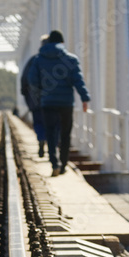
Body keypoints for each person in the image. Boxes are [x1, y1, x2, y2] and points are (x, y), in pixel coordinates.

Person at [26, 30, 90, 176]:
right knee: (65, 134)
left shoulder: (38, 60)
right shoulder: (71, 59)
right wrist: (85, 98)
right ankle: (63, 165)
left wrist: (41, 91)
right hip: (66, 103)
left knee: (50, 133)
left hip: (47, 102)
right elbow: (78, 80)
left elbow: (32, 80)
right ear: (62, 42)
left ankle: (54, 163)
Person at [20, 35, 48, 157]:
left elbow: (24, 79)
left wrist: (25, 93)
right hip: (51, 100)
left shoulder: (33, 60)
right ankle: (52, 150)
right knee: (52, 123)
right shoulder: (58, 59)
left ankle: (41, 139)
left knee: (38, 122)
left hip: (35, 100)